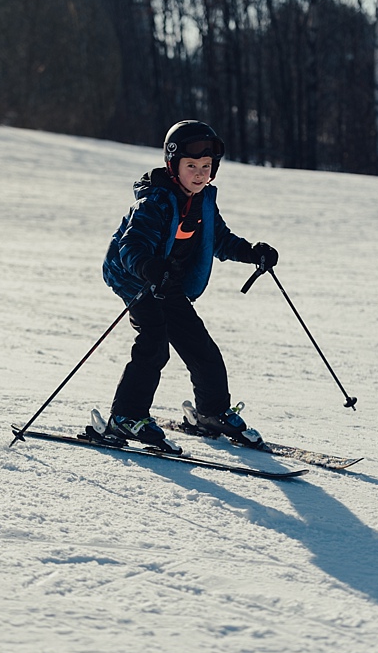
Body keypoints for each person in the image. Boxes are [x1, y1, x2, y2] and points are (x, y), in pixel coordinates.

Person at [100, 120, 279, 453]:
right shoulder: (155, 200)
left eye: (207, 167)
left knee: (201, 347)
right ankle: (126, 415)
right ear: (173, 166)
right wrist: (149, 267)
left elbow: (220, 240)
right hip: (135, 278)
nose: (200, 173)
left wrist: (252, 252)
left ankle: (211, 412)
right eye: (192, 166)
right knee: (154, 342)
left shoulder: (203, 201)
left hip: (168, 282)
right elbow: (131, 245)